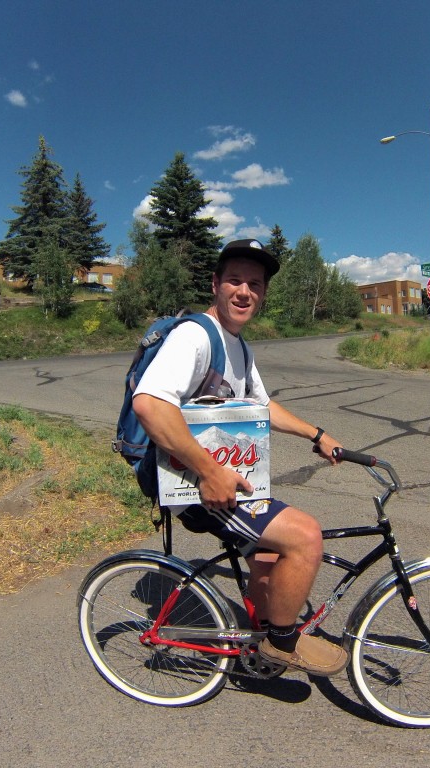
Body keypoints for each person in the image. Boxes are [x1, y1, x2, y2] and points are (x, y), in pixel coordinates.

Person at [131, 239, 349, 676]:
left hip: (214, 476)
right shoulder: (195, 336)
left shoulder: (238, 346)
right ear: (215, 284)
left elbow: (260, 406)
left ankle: (259, 640)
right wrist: (210, 472)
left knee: (269, 556)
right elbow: (150, 404)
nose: (244, 291)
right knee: (304, 536)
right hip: (193, 484)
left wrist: (316, 434)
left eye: (255, 283)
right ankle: (281, 643)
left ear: (263, 293)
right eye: (234, 280)